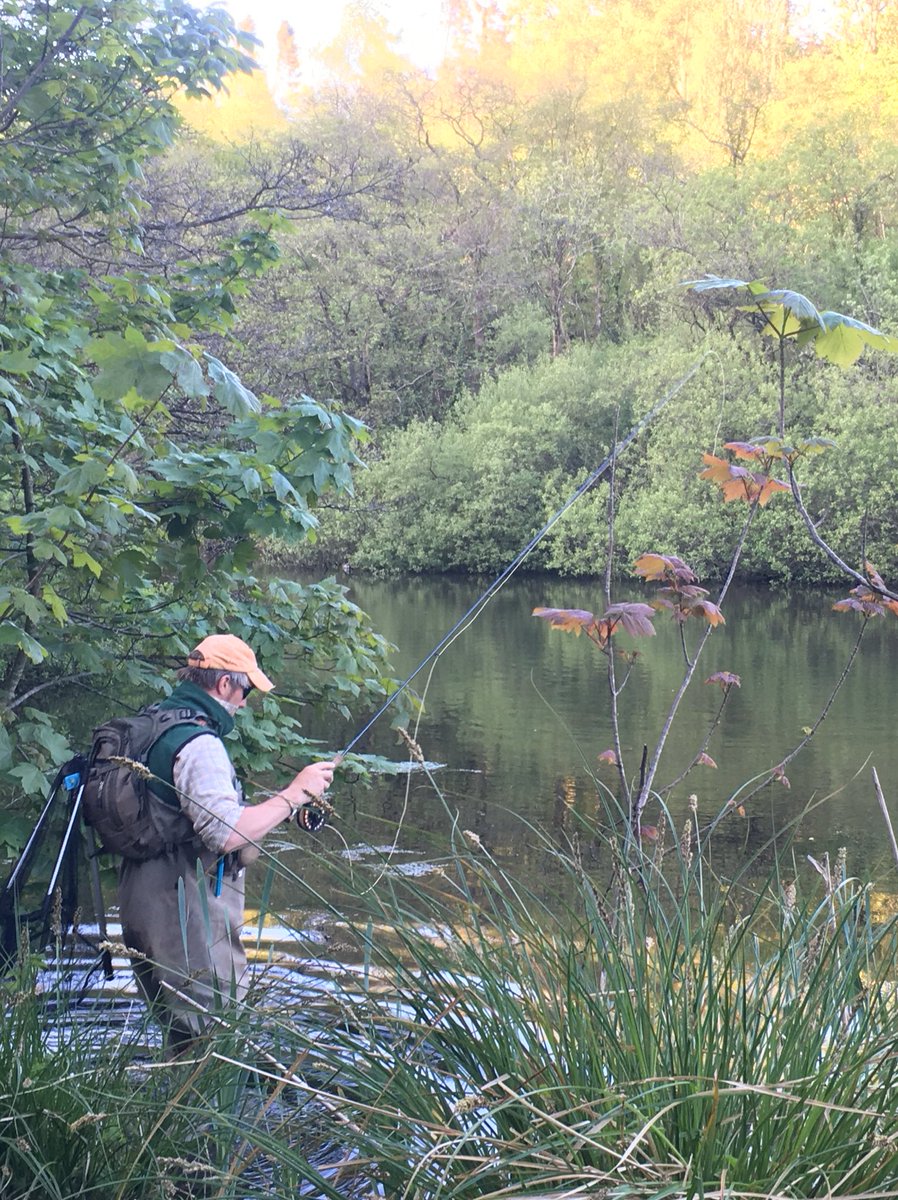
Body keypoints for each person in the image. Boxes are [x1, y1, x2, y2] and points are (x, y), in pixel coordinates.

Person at [118, 633, 335, 1054]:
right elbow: (224, 832)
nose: (246, 701)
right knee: (213, 1042)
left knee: (181, 1038)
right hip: (185, 909)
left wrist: (284, 805)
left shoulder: (158, 723)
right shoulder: (200, 745)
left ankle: (167, 1119)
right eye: (246, 689)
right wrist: (295, 793)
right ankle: (202, 1122)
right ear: (223, 685)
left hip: (144, 899)